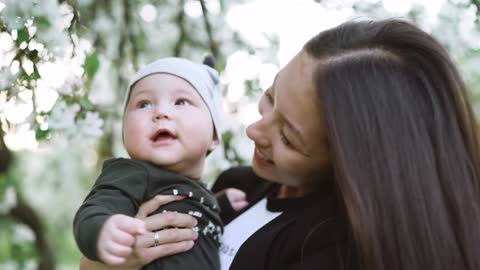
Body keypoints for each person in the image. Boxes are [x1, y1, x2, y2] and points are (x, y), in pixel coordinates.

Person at [80, 18, 480, 270]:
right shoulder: (240, 187)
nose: (255, 130)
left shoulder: (330, 249)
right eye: (269, 98)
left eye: (288, 135)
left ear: (350, 168)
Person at [74, 57, 227, 270]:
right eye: (144, 104)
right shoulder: (132, 174)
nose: (160, 113)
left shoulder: (200, 192)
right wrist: (103, 230)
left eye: (181, 102)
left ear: (214, 135)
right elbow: (95, 209)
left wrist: (224, 203)